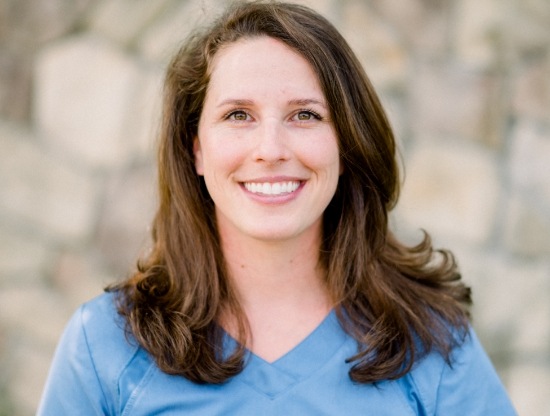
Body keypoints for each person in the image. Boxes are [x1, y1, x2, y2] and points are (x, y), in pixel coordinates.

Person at [38, 1, 517, 414]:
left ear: (346, 144)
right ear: (196, 149)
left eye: (305, 115)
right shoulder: (104, 345)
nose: (271, 148)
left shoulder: (430, 342)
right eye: (238, 115)